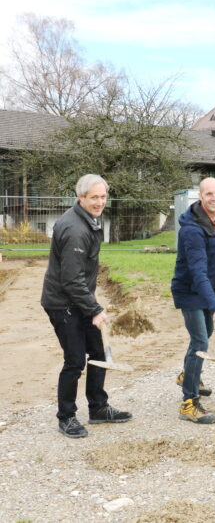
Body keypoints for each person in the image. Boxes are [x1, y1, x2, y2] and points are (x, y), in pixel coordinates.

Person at [41, 174, 132, 438]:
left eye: (103, 197)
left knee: (98, 353)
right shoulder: (75, 230)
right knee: (74, 360)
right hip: (62, 303)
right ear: (80, 197)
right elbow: (71, 279)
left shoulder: (88, 219)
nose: (100, 202)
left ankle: (98, 408)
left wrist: (91, 307)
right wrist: (94, 309)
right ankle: (66, 417)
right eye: (94, 197)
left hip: (78, 299)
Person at [171, 177, 215, 425]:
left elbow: (212, 249)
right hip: (190, 290)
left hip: (205, 288)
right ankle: (189, 403)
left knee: (203, 335)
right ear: (200, 196)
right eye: (209, 194)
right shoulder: (192, 229)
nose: (214, 198)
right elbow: (197, 272)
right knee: (200, 343)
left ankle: (187, 375)